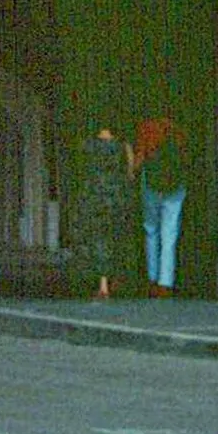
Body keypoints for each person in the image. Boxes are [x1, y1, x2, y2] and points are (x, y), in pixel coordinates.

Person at [132, 113, 188, 295]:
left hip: (152, 186)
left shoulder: (146, 128)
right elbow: (186, 157)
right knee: (169, 233)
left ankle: (152, 278)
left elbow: (140, 158)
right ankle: (166, 281)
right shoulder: (177, 130)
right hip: (175, 187)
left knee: (150, 230)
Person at [78, 124, 133, 301]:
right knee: (117, 237)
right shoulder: (123, 146)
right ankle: (115, 278)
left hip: (95, 196)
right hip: (117, 197)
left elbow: (81, 171)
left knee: (98, 239)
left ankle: (102, 285)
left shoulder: (87, 146)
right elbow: (130, 173)